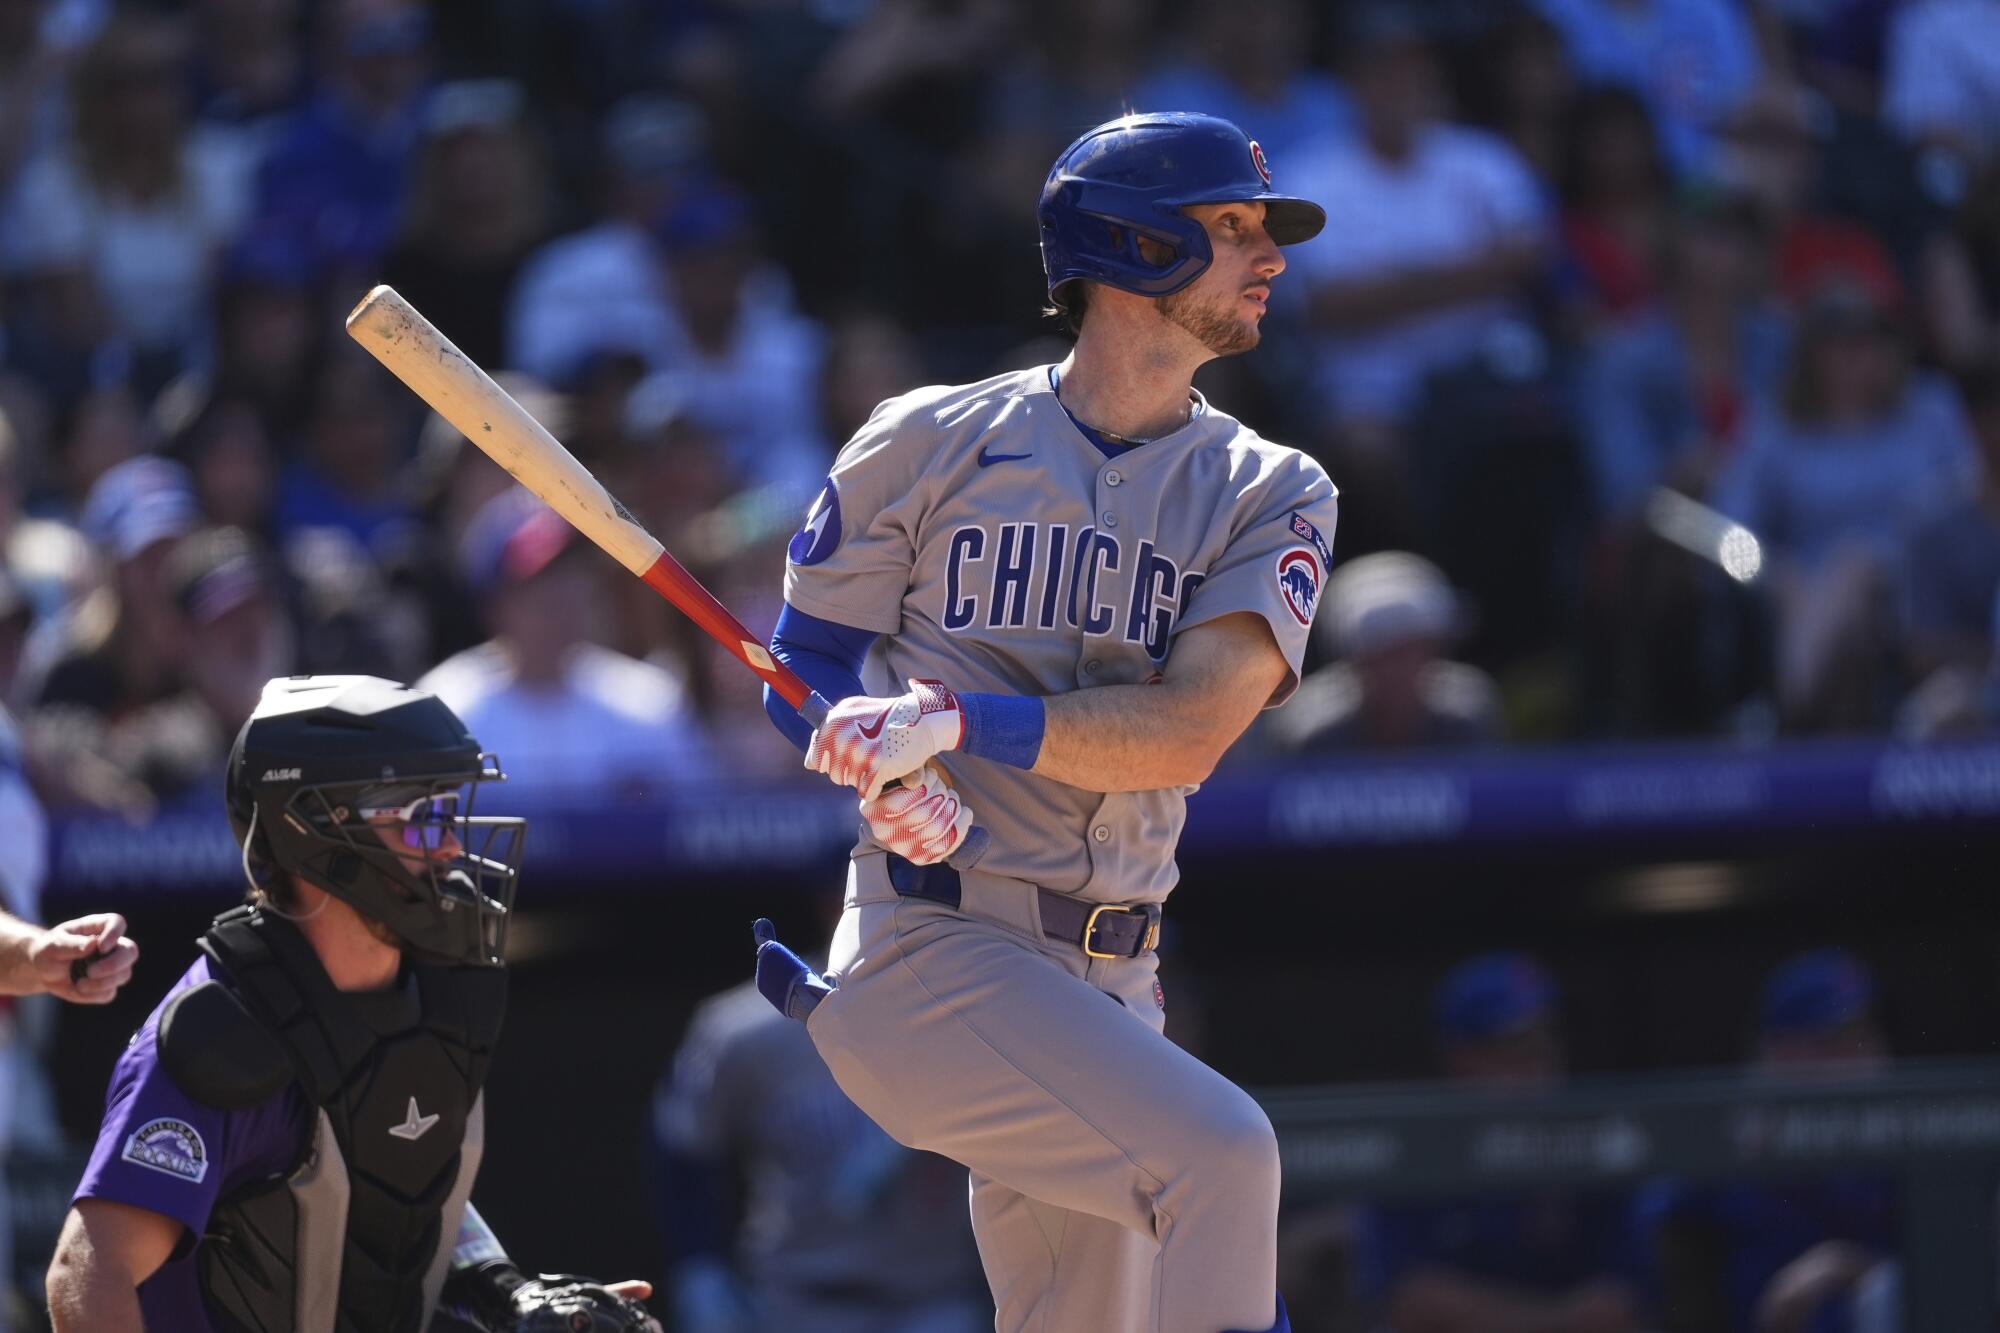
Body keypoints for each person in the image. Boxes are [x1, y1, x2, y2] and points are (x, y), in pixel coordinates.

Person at [753, 112, 1337, 1333]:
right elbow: (801, 663)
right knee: (1222, 1156)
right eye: (1231, 228)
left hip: (1118, 982)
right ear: (1132, 245)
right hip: (935, 947)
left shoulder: (1271, 489)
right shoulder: (927, 438)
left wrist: (947, 724)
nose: (1268, 257)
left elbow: (1186, 731)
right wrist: (866, 755)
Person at [44, 673, 659, 1333]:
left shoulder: (438, 986)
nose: (451, 845)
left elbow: (398, 1183)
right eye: (423, 819)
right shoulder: (221, 1034)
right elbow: (86, 1277)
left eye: (449, 812)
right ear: (313, 832)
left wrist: (504, 1293)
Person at [651, 926, 989, 1333]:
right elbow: (682, 1141)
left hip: (935, 1300)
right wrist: (700, 1265)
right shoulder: (750, 1025)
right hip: (802, 1300)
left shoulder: (975, 1008)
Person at [1352, 954, 1645, 1333]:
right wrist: (1562, 1317)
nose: (1540, 1065)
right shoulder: (1414, 1150)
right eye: (1517, 1048)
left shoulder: (1595, 1144)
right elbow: (1414, 1306)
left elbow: (1619, 1307)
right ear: (1462, 1060)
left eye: (1547, 1043)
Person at [418, 489, 713, 800]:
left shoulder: (647, 702)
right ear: (494, 603)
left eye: (573, 576)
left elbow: (698, 817)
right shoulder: (449, 712)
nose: (563, 597)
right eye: (541, 582)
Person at [1266, 552, 1501, 753]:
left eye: (1418, 648)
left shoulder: (1469, 717)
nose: (1406, 666)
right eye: (1392, 653)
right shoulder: (1310, 731)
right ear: (1355, 660)